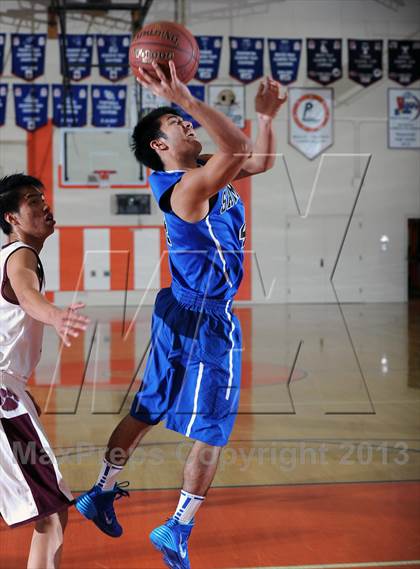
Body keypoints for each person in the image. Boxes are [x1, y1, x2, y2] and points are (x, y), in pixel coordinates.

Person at [75, 61, 287, 569]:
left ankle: (100, 492)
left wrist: (266, 118)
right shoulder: (188, 190)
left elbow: (256, 160)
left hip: (177, 307)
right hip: (207, 317)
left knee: (148, 408)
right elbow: (238, 153)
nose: (188, 125)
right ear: (159, 145)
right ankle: (178, 526)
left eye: (186, 119)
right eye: (179, 124)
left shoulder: (197, 172)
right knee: (212, 428)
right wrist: (189, 99)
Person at [0, 174, 89, 569]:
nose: (44, 206)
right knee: (50, 511)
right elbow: (26, 293)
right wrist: (54, 315)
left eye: (42, 198)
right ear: (12, 217)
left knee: (49, 511)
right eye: (33, 201)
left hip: (10, 390)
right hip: (3, 397)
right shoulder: (20, 254)